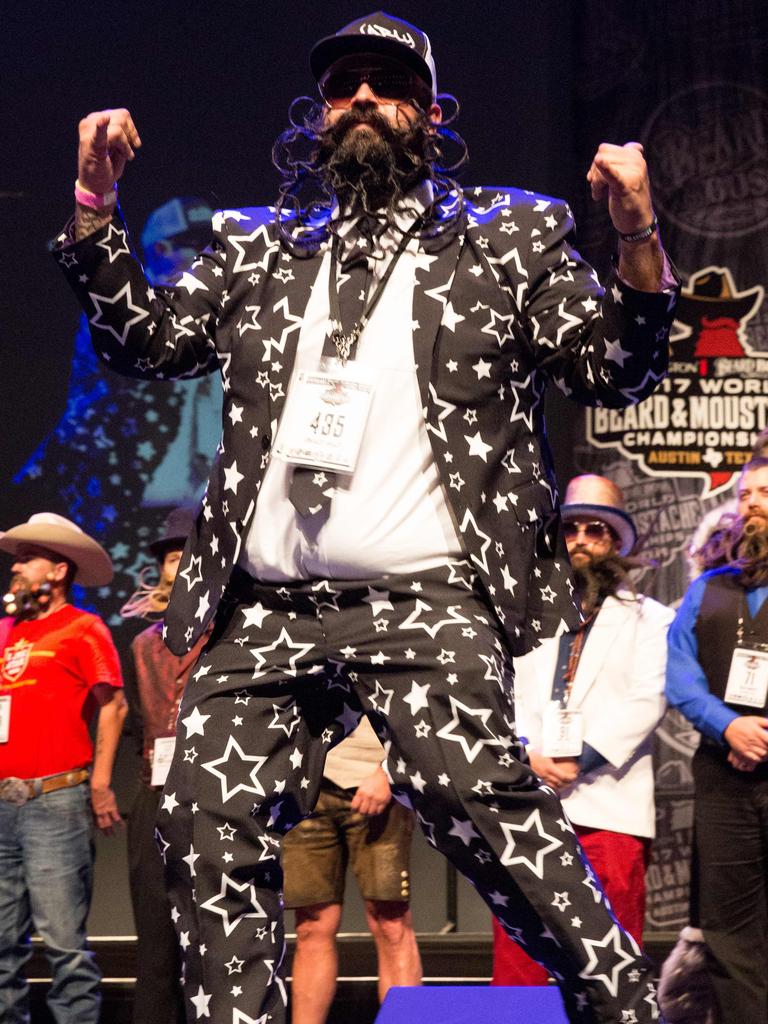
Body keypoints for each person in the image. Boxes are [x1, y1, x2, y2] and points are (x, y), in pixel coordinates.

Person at [54, 12, 679, 1022]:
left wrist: (639, 231)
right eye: (343, 83)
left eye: (385, 86)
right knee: (203, 824)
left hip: (424, 601)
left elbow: (614, 363)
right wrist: (95, 202)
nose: (361, 101)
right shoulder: (258, 246)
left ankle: (622, 1005)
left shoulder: (505, 235)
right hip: (262, 608)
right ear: (315, 113)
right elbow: (145, 340)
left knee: (495, 827)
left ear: (430, 114)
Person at [492, 474, 673, 984]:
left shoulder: (651, 620)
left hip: (609, 807)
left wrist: (578, 760)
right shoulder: (523, 617)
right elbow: (503, 693)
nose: (582, 540)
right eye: (571, 529)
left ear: (615, 542)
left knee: (609, 962)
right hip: (530, 804)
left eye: (596, 529)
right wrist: (527, 756)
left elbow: (647, 698)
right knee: (520, 960)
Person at [13, 196, 221, 628]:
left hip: (209, 523)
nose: (210, 260)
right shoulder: (123, 326)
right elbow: (90, 430)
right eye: (196, 248)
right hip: (129, 527)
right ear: (161, 252)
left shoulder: (230, 315)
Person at [0, 513, 126, 1024]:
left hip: (55, 802)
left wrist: (100, 784)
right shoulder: (6, 631)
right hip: (3, 804)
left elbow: (113, 704)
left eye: (27, 559)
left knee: (64, 946)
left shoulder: (82, 628)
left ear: (57, 570)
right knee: (1, 946)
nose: (16, 567)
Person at [666, 456, 768, 1024]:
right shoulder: (706, 589)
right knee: (728, 928)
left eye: (765, 492)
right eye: (746, 493)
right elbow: (680, 675)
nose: (751, 501)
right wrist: (727, 725)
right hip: (722, 781)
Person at [120, 506, 206, 1024]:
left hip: (214, 794)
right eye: (171, 555)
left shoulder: (230, 636)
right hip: (156, 794)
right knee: (155, 946)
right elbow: (137, 726)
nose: (177, 563)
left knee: (213, 944)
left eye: (187, 552)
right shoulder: (142, 646)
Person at [283, 717, 421, 1023]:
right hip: (309, 778)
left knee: (391, 922)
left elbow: (415, 698)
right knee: (311, 924)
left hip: (374, 776)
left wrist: (390, 770)